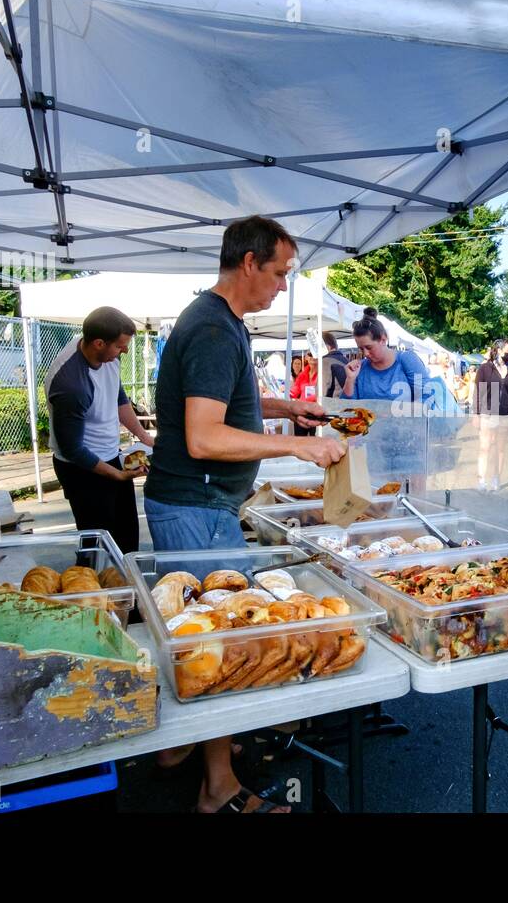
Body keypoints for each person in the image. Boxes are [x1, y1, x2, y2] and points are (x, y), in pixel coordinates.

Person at [143, 215, 346, 814]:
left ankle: (180, 750)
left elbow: (234, 403)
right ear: (249, 262)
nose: (284, 285)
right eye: (281, 272)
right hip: (196, 506)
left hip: (202, 505)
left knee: (211, 631)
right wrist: (298, 445)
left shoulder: (221, 323)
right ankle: (218, 788)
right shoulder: (210, 328)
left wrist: (289, 408)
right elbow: (204, 437)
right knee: (226, 640)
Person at [45, 306, 152, 554]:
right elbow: (73, 450)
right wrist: (115, 475)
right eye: (120, 346)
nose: (125, 350)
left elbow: (119, 399)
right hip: (81, 468)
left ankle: (126, 586)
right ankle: (94, 590)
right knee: (98, 545)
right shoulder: (71, 385)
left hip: (109, 455)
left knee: (126, 538)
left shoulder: (108, 355)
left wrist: (146, 437)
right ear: (99, 343)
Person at [342, 307, 430, 402]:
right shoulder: (360, 368)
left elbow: (426, 396)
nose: (365, 353)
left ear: (383, 339)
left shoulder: (407, 360)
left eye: (369, 347)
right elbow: (346, 407)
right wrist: (350, 379)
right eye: (361, 348)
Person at [473, 339, 508, 491]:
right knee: (485, 448)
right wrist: (476, 414)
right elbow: (478, 392)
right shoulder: (485, 368)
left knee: (500, 449)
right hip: (488, 413)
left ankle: (496, 478)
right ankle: (481, 480)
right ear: (499, 350)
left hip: (505, 415)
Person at [321, 331, 348, 399]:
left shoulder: (325, 361)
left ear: (327, 347)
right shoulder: (346, 360)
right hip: (345, 403)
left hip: (332, 405)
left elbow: (324, 391)